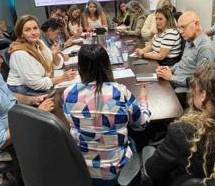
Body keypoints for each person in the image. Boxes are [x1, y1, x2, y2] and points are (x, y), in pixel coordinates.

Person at [61, 44, 151, 186]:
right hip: (116, 170)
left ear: (80, 68)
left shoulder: (68, 93)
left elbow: (71, 123)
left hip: (83, 169)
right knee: (135, 139)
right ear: (107, 65)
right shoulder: (120, 92)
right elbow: (142, 124)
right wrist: (143, 102)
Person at [7, 15, 76, 96]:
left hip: (41, 81)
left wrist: (54, 54)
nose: (33, 32)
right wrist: (62, 78)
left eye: (35, 28)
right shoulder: (20, 53)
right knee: (64, 96)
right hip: (22, 89)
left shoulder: (40, 43)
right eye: (27, 30)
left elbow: (57, 65)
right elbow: (36, 84)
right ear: (21, 33)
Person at [156, 11, 215, 87]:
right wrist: (169, 69)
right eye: (179, 28)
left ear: (196, 24)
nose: (180, 31)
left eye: (183, 27)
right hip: (175, 79)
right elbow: (183, 63)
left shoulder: (205, 48)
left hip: (185, 90)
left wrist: (171, 77)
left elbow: (201, 81)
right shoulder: (190, 40)